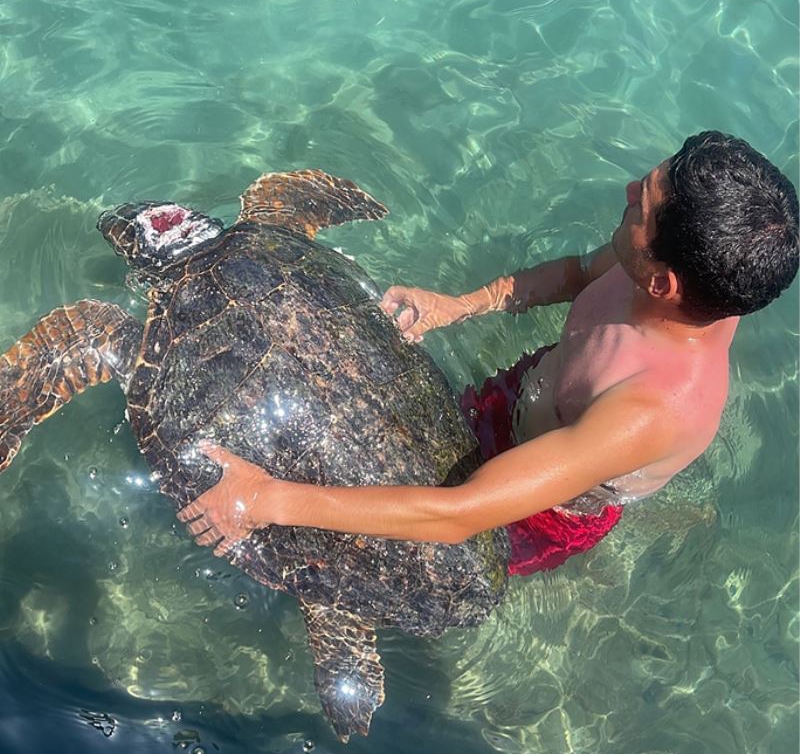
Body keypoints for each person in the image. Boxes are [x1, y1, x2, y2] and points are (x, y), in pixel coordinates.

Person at [177, 131, 799, 576]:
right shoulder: (681, 267)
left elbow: (459, 515)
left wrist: (268, 500)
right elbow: (577, 275)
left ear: (664, 283)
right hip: (529, 397)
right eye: (651, 177)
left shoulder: (654, 407)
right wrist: (464, 303)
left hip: (539, 509)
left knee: (396, 565)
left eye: (643, 203)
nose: (630, 189)